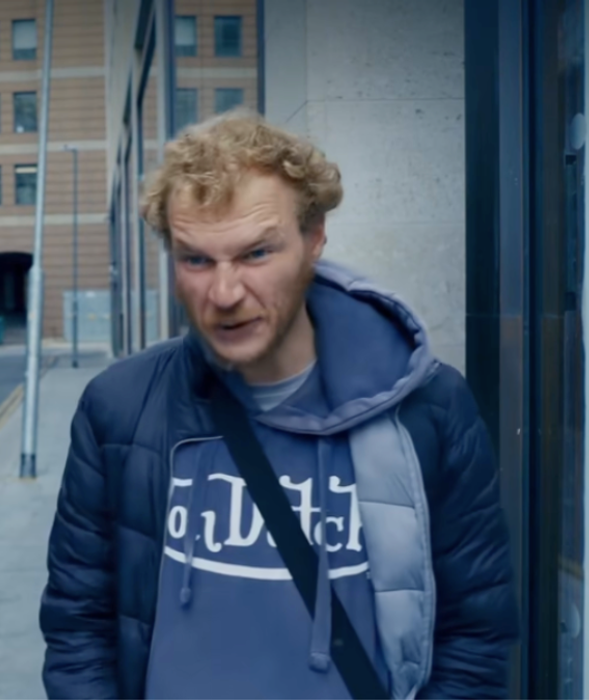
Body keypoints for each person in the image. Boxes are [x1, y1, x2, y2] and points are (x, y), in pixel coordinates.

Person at [39, 110, 519, 699]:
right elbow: (77, 628)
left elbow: (475, 634)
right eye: (197, 259)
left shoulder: (427, 409)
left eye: (256, 254)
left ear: (314, 239)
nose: (224, 294)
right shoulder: (118, 408)